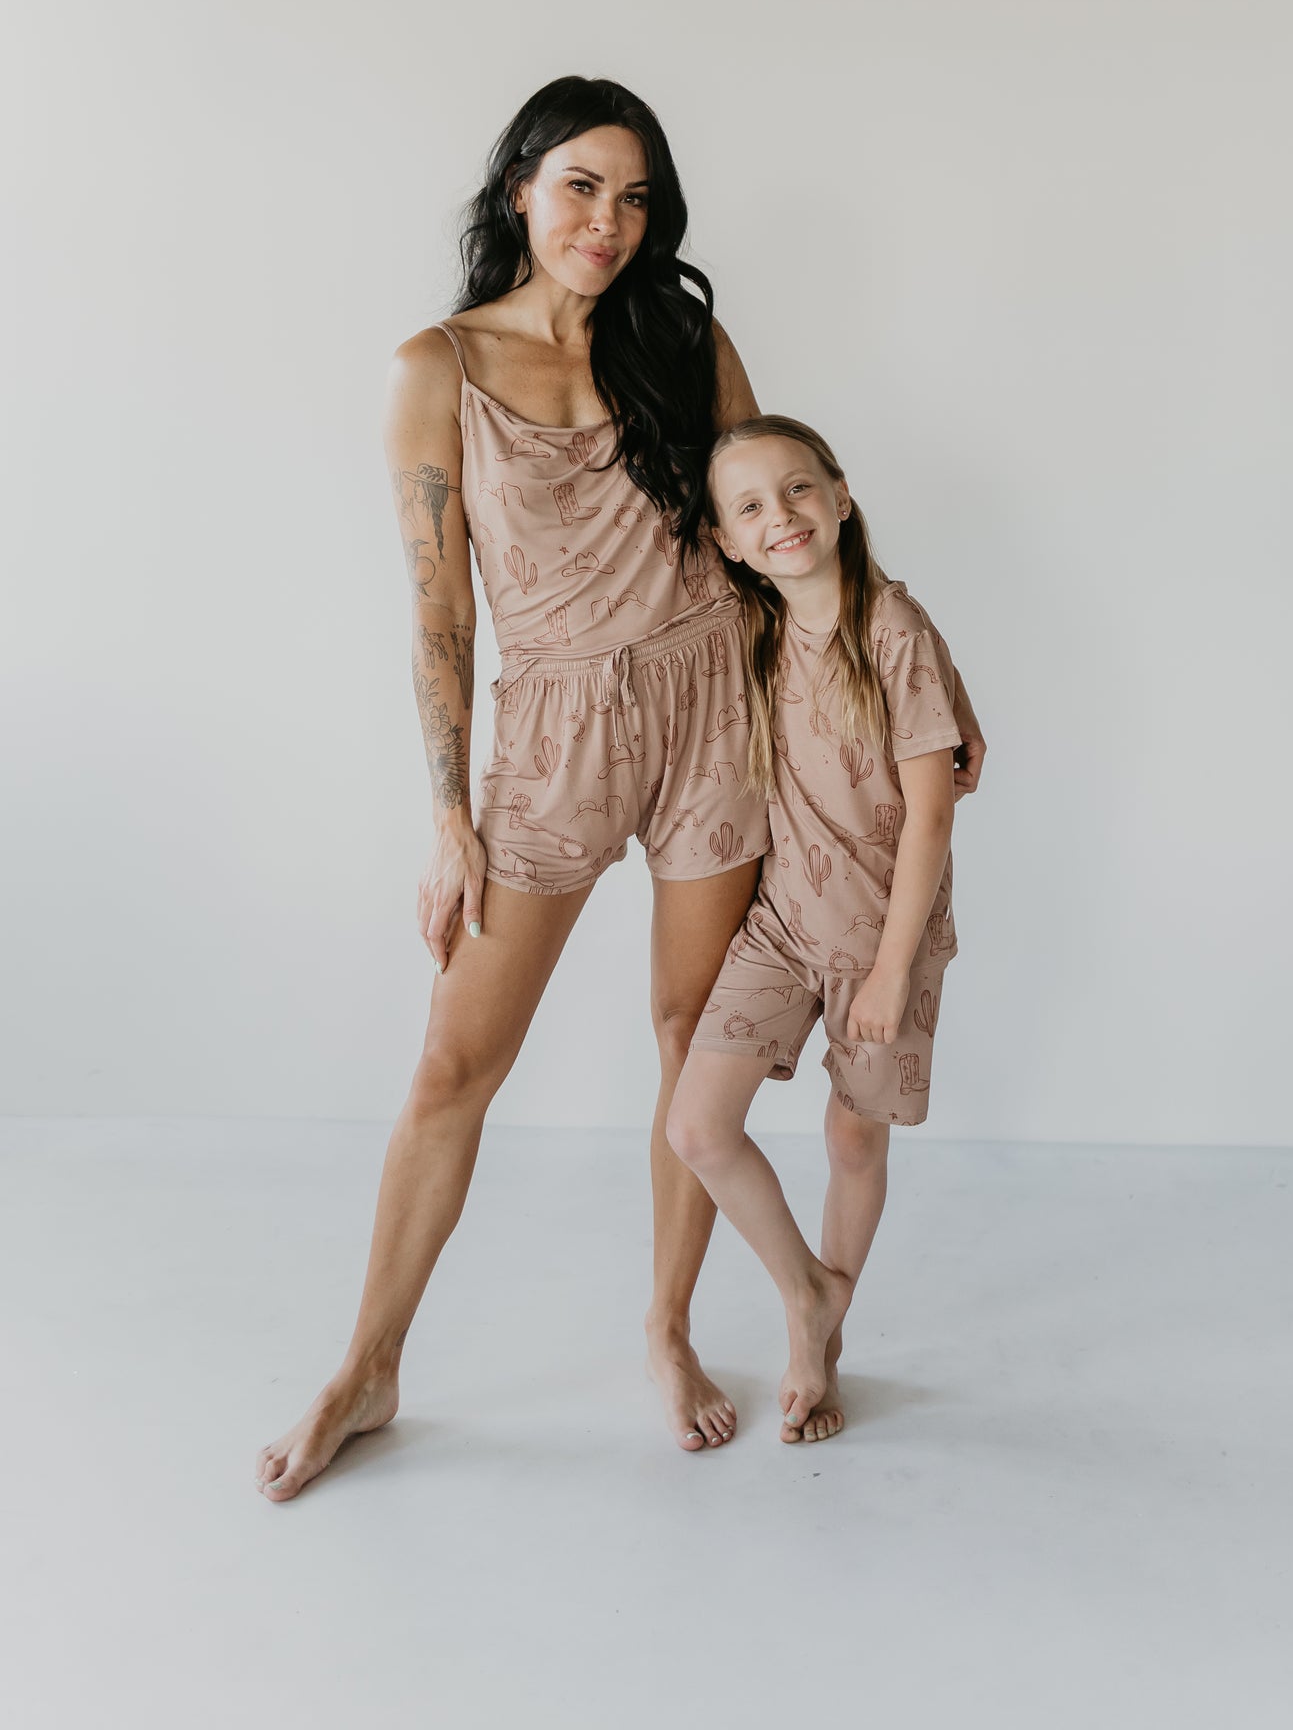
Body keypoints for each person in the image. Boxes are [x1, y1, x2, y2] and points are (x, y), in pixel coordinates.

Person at [256, 75, 776, 1498]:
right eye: (580, 188)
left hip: (711, 714)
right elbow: (439, 613)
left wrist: (886, 702)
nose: (607, 222)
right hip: (550, 739)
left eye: (635, 197)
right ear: (519, 192)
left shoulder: (683, 340)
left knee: (692, 1041)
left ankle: (668, 1333)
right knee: (451, 1067)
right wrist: (448, 816)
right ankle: (368, 1366)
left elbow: (771, 540)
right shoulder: (437, 367)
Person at [666, 415, 980, 1443]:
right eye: (750, 506)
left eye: (797, 490)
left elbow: (933, 806)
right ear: (725, 541)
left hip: (881, 937)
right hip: (779, 926)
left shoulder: (892, 629)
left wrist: (891, 970)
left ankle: (818, 1344)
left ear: (840, 496)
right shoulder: (753, 632)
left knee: (852, 1137)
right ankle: (808, 1290)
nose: (780, 516)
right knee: (698, 1125)